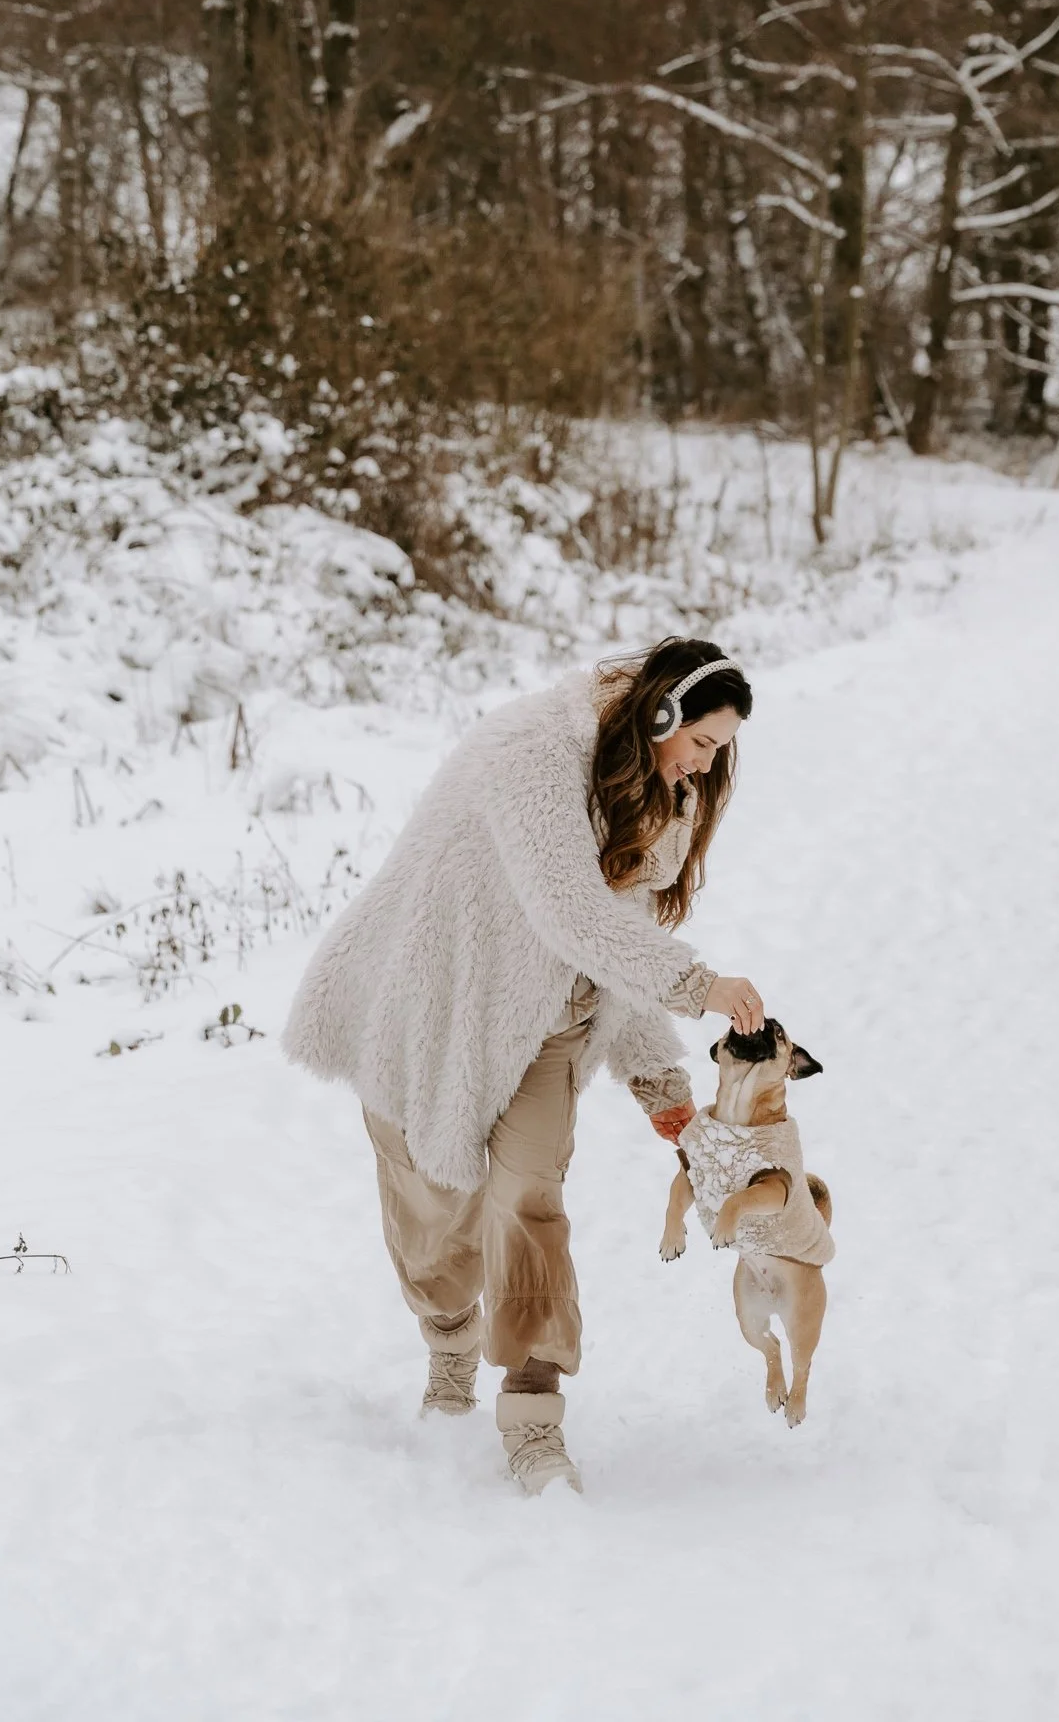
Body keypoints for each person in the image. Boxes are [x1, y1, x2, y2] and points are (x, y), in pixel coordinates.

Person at [281, 636, 763, 1494]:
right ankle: (448, 1340)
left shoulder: (664, 789)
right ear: (657, 712)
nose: (703, 766)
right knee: (435, 1225)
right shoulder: (530, 754)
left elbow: (620, 937)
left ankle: (534, 1419)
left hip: (552, 1029)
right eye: (700, 742)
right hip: (434, 1010)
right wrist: (702, 985)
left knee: (529, 1204)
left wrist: (663, 1087)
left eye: (718, 751)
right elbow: (569, 909)